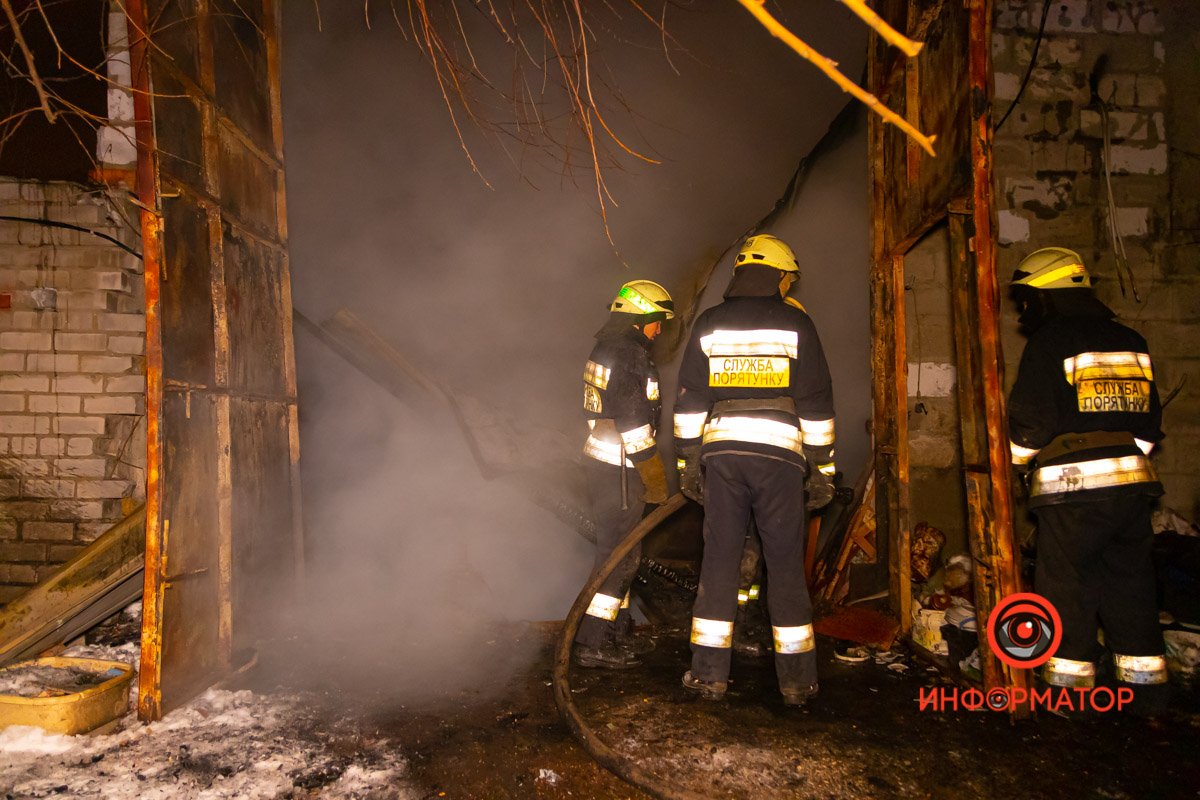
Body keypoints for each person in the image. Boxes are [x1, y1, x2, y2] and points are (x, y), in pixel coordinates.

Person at [673, 233, 835, 705]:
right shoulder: (796, 323)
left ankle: (707, 677)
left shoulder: (709, 323)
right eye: (788, 278)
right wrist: (823, 468)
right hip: (780, 456)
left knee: (720, 559)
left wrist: (688, 462)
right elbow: (816, 402)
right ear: (777, 277)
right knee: (784, 564)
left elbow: (690, 400)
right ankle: (798, 683)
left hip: (721, 454)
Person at [1007, 247, 1168, 713]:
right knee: (1131, 581)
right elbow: (1149, 424)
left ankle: (1067, 690)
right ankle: (1146, 689)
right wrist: (1121, 466)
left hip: (1073, 490)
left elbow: (1031, 424)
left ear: (1047, 296)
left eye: (1027, 300)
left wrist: (1020, 466)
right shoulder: (1131, 339)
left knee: (1066, 585)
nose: (1023, 311)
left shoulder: (1051, 343)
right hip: (1133, 486)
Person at [574, 279, 674, 669]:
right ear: (640, 319)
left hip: (602, 463)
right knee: (620, 559)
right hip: (622, 468)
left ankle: (615, 634)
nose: (660, 330)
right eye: (657, 321)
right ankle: (592, 641)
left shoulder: (604, 349)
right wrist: (652, 472)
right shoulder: (631, 355)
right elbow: (633, 422)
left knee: (622, 553)